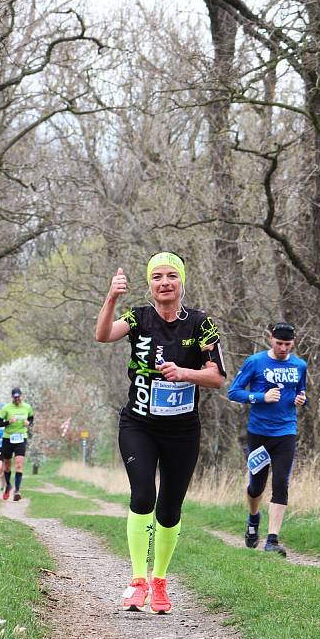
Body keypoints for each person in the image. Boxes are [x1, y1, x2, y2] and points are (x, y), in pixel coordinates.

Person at [95, 253, 226, 614]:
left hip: (182, 431)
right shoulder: (138, 317)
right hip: (139, 424)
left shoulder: (201, 325)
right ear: (150, 284)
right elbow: (103, 335)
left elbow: (216, 377)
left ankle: (160, 582)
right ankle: (137, 581)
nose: (165, 282)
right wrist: (111, 298)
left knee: (169, 509)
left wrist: (185, 373)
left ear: (182, 282)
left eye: (171, 276)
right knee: (142, 496)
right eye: (157, 277)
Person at [227, 322, 307, 557]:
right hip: (259, 433)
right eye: (279, 343)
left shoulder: (300, 365)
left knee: (281, 482)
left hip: (286, 431)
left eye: (287, 344)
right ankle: (253, 519)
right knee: (256, 486)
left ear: (293, 343)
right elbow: (234, 392)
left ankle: (272, 540)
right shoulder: (255, 362)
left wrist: (303, 399)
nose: (283, 348)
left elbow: (301, 392)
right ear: (270, 339)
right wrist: (261, 396)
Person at [0, 388, 34, 501]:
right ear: (12, 397)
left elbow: (31, 419)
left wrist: (29, 423)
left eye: (19, 397)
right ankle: (8, 485)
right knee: (7, 465)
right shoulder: (6, 408)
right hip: (8, 439)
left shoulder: (27, 407)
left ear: (21, 396)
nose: (17, 399)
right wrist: (8, 422)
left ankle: (17, 491)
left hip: (21, 438)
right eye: (15, 397)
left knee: (18, 464)